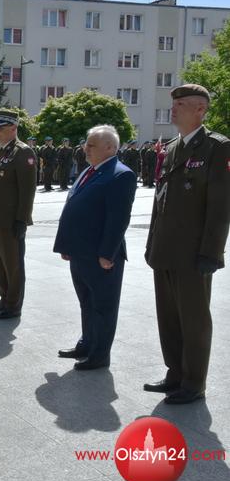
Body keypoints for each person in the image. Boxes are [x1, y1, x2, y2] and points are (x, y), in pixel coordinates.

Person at [144, 84, 230, 405]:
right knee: (168, 317)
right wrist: (152, 243)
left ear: (200, 110)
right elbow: (160, 200)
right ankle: (175, 373)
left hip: (194, 253)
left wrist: (212, 252)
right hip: (165, 248)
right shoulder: (171, 148)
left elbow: (221, 206)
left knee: (194, 320)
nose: (173, 109)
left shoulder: (217, 148)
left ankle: (194, 383)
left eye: (180, 105)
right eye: (174, 104)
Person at [54, 125, 137, 370]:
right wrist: (67, 245)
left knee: (103, 307)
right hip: (80, 252)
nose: (85, 149)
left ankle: (99, 355)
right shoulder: (90, 170)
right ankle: (87, 343)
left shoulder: (121, 175)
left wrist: (106, 254)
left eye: (91, 145)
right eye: (86, 144)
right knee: (87, 303)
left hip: (100, 256)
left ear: (110, 148)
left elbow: (118, 219)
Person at [0, 110, 37, 319]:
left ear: (13, 128)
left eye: (0, 128)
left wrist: (22, 219)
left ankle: (13, 306)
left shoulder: (23, 152)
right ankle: (4, 301)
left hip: (10, 220)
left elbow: (27, 190)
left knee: (13, 266)